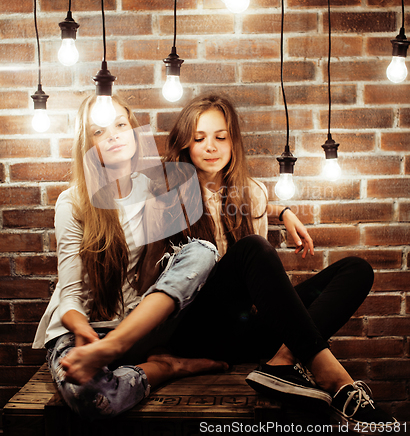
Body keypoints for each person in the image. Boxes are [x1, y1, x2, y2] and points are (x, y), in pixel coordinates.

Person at [58, 94, 397, 429]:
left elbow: (251, 210)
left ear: (233, 142)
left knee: (356, 269)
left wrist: (283, 210)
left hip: (245, 328)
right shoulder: (165, 191)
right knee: (252, 248)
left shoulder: (252, 194)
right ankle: (338, 382)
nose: (211, 147)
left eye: (221, 137)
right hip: (195, 330)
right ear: (185, 145)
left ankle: (284, 360)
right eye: (199, 138)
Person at [32, 95, 228, 420]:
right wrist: (84, 332)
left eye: (121, 125)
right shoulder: (73, 202)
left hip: (131, 330)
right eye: (99, 131)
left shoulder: (156, 191)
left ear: (134, 132)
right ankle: (164, 368)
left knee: (202, 251)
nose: (113, 135)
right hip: (80, 330)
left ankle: (120, 351)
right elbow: (69, 297)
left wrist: (282, 210)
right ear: (88, 144)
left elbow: (220, 192)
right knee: (93, 400)